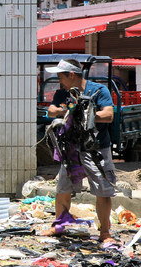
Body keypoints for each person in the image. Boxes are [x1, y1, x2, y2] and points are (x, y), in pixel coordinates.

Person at [44, 58, 117, 246]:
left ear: (72, 75)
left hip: (96, 148)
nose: (59, 80)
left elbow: (108, 115)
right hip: (71, 148)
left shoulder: (98, 91)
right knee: (63, 188)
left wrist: (86, 113)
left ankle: (105, 232)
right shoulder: (63, 93)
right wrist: (66, 111)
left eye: (61, 76)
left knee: (102, 189)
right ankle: (58, 226)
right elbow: (51, 111)